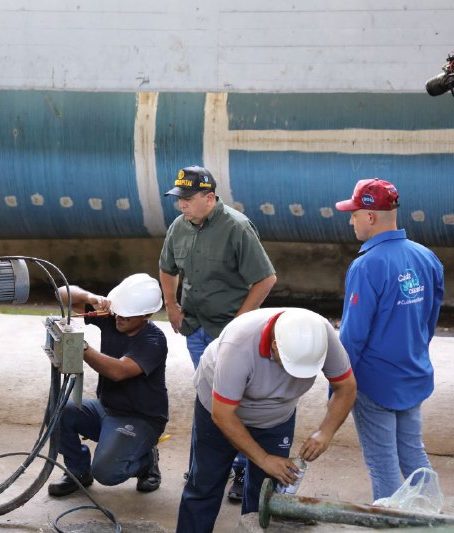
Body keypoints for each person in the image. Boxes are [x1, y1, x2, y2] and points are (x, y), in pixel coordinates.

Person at [177, 308, 357, 533]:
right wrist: (263, 458)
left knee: (266, 492)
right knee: (204, 484)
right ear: (274, 346)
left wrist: (326, 432)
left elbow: (346, 386)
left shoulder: (321, 336)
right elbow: (223, 415)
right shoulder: (239, 345)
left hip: (277, 416)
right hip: (221, 409)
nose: (297, 377)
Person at [158, 165, 277, 499]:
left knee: (234, 400)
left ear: (209, 198)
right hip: (196, 328)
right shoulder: (179, 228)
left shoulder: (236, 227)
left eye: (187, 198)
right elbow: (167, 267)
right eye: (177, 198)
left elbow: (266, 279)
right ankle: (207, 466)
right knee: (207, 398)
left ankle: (242, 469)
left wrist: (241, 323)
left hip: (232, 333)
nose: (180, 204)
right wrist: (171, 304)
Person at [335, 178, 444, 501]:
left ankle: (390, 524)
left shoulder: (366, 266)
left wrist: (339, 384)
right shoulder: (426, 258)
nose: (350, 219)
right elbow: (429, 320)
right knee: (414, 456)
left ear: (370, 217)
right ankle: (429, 519)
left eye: (353, 212)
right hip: (412, 374)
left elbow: (353, 337)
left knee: (383, 466)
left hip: (374, 383)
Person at [47, 274, 168, 496]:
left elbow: (118, 372)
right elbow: (61, 294)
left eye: (126, 316)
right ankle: (78, 471)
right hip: (107, 408)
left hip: (141, 418)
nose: (118, 318)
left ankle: (146, 461)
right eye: (117, 312)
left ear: (146, 315)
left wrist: (80, 346)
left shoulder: (154, 341)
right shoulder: (114, 317)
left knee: (107, 472)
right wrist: (90, 297)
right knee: (59, 409)